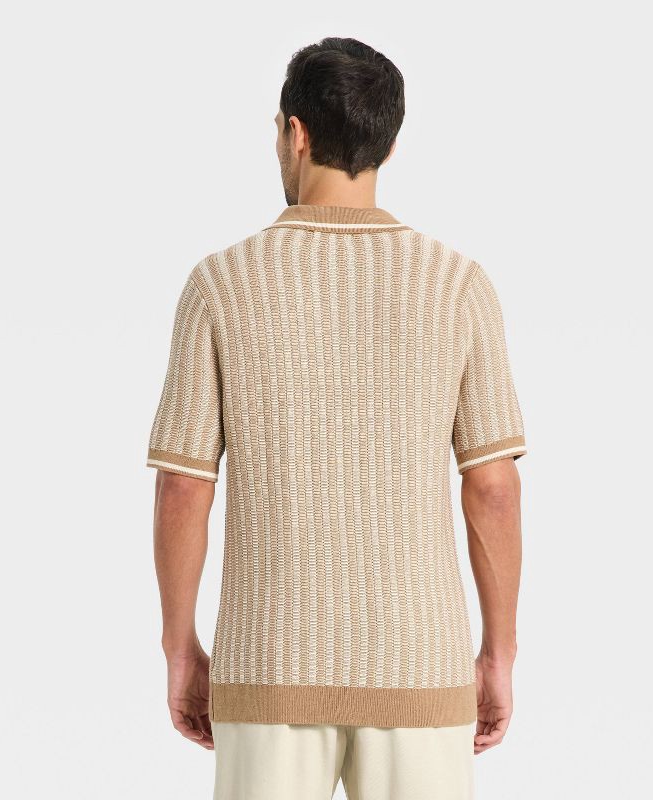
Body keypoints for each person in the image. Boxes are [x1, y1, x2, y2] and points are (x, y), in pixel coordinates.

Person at [147, 36, 526, 800]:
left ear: (296, 133)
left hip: (268, 664)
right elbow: (493, 487)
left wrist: (180, 648)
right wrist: (498, 654)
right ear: (389, 142)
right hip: (421, 665)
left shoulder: (221, 282)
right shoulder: (458, 283)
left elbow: (184, 487)